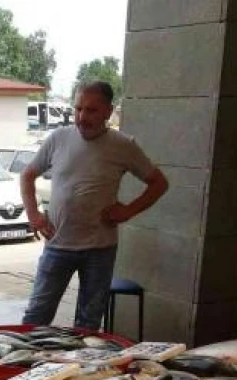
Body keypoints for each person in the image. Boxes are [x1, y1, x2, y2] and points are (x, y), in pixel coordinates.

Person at [19, 81, 169, 330]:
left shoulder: (124, 145)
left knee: (88, 325)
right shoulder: (58, 138)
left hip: (100, 250)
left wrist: (128, 210)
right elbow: (27, 175)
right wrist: (34, 214)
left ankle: (80, 367)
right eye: (78, 109)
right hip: (58, 244)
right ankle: (21, 366)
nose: (81, 117)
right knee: (36, 317)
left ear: (108, 112)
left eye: (91, 110)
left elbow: (159, 183)